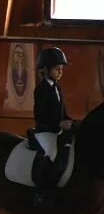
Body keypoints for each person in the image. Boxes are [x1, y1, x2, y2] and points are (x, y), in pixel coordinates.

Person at [32, 46, 74, 205]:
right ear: (45, 69)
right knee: (52, 153)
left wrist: (71, 121)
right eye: (57, 69)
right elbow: (39, 116)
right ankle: (41, 191)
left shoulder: (57, 88)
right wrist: (58, 123)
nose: (60, 72)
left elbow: (63, 112)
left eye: (61, 68)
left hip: (57, 130)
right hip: (45, 131)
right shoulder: (41, 89)